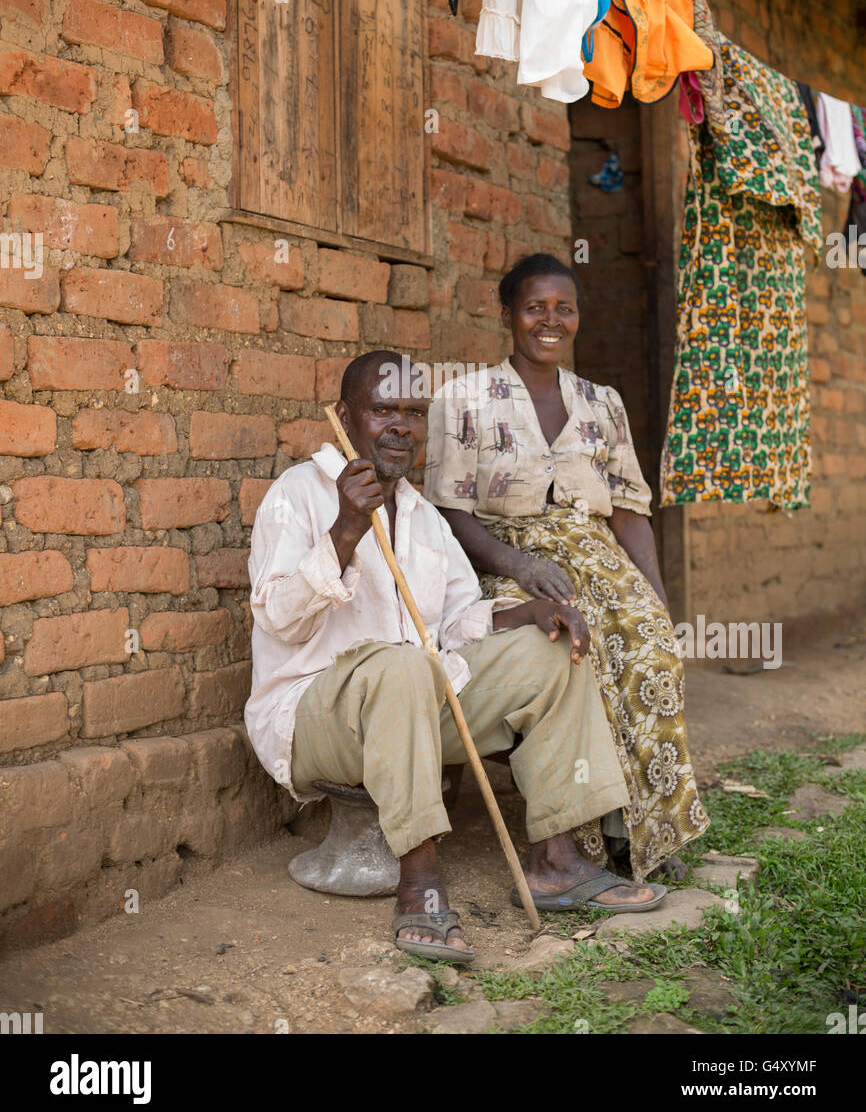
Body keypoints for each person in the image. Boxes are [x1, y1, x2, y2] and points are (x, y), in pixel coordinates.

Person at [245, 350, 665, 966]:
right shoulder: (299, 494)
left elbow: (458, 623)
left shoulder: (419, 513)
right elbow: (277, 615)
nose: (400, 426)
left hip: (412, 701)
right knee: (403, 665)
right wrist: (344, 530)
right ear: (345, 416)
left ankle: (557, 862)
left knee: (551, 654)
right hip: (314, 718)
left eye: (414, 413)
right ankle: (420, 886)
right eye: (382, 409)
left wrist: (525, 615)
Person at [424, 254, 710, 883]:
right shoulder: (464, 398)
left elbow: (630, 511)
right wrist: (520, 565)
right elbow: (448, 510)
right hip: (505, 560)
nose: (550, 321)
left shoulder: (601, 403)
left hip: (597, 557)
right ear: (508, 316)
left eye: (565, 308)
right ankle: (588, 833)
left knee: (649, 644)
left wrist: (654, 597)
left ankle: (647, 832)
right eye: (535, 308)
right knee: (577, 645)